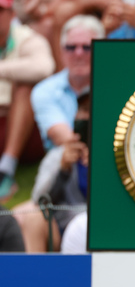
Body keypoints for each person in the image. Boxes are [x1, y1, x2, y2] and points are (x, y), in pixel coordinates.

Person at [15, 90, 90, 252]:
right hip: (62, 228)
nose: (85, 117)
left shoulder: (113, 157)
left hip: (95, 227)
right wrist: (63, 170)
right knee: (34, 217)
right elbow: (39, 200)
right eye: (82, 110)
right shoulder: (57, 156)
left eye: (90, 111)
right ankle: (34, 275)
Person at [0, 0, 55, 201]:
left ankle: (6, 169)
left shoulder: (26, 37)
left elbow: (44, 67)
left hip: (24, 130)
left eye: (0, 10)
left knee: (26, 87)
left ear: (12, 14)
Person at [31, 14, 103, 150]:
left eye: (87, 47)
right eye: (71, 47)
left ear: (101, 51)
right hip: (63, 164)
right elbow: (62, 137)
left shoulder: (112, 88)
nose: (79, 53)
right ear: (61, 52)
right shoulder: (44, 90)